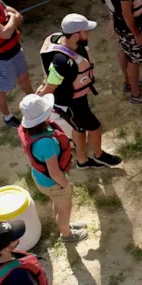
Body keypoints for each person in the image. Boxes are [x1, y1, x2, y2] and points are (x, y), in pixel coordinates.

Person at [38, 14, 123, 169]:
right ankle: (99, 156)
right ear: (76, 35)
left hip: (77, 99)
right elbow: (50, 86)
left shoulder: (72, 45)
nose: (88, 33)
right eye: (86, 31)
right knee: (95, 128)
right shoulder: (62, 62)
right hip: (70, 105)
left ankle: (82, 161)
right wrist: (39, 103)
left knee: (79, 128)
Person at [17, 94, 87, 243]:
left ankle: (64, 226)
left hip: (40, 178)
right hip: (53, 183)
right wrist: (65, 185)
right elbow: (54, 172)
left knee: (58, 203)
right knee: (64, 210)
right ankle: (67, 235)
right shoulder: (46, 144)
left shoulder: (28, 131)